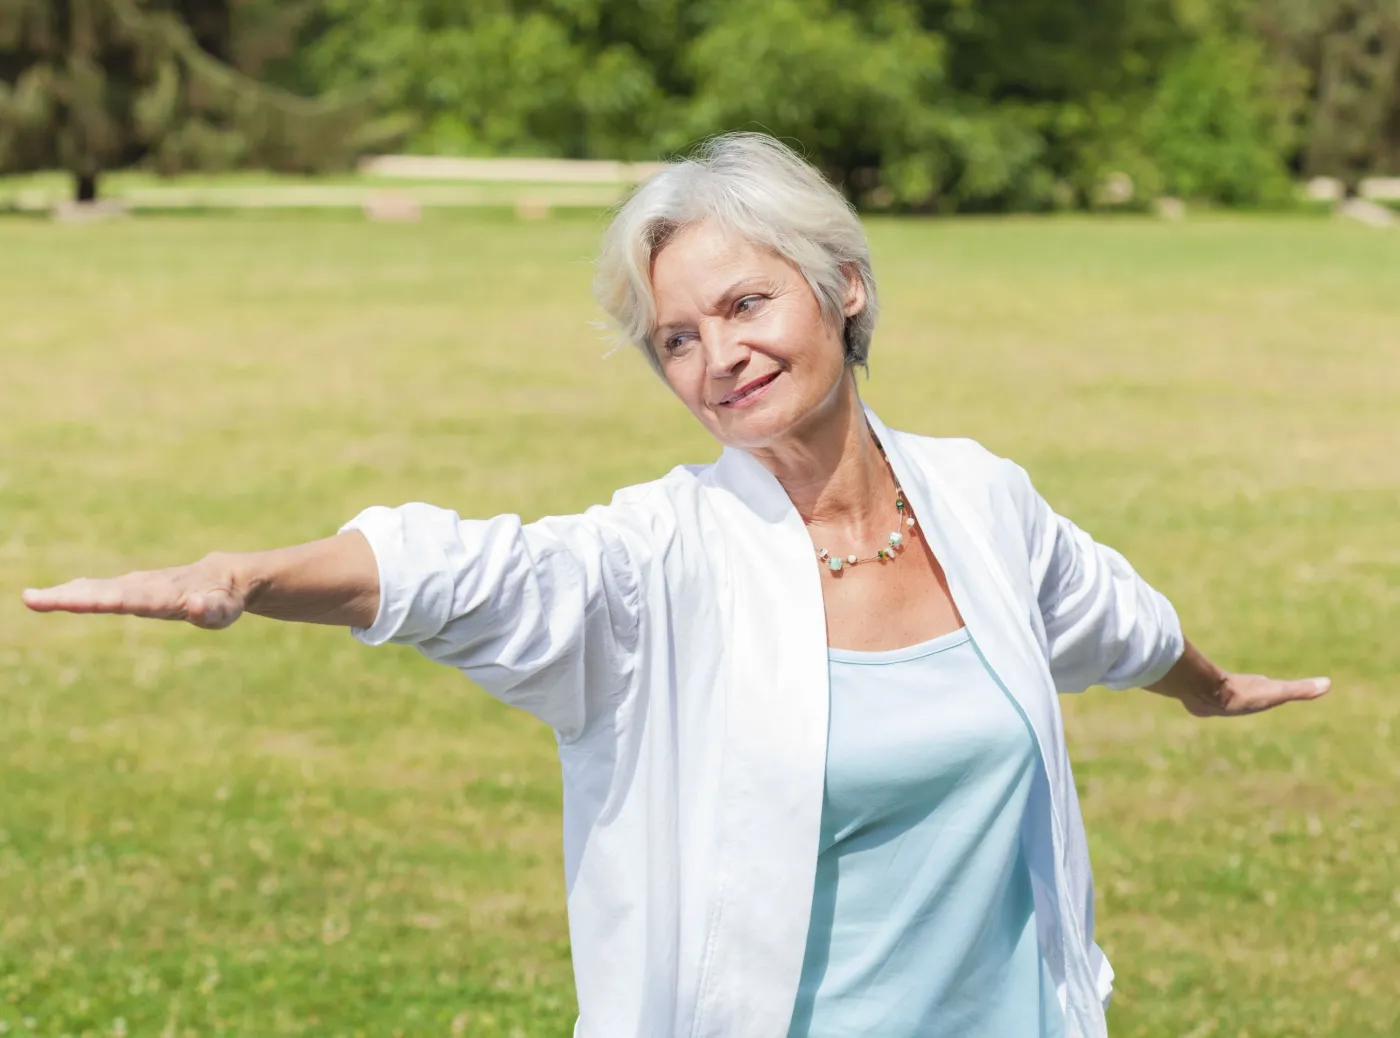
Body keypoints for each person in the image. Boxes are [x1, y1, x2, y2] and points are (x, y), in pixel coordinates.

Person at [22, 133, 1330, 1038]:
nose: (719, 358)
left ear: (844, 286)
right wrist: (246, 576)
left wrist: (1207, 685)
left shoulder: (979, 498)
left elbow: (1104, 613)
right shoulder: (662, 563)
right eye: (678, 339)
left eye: (748, 305)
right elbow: (463, 570)